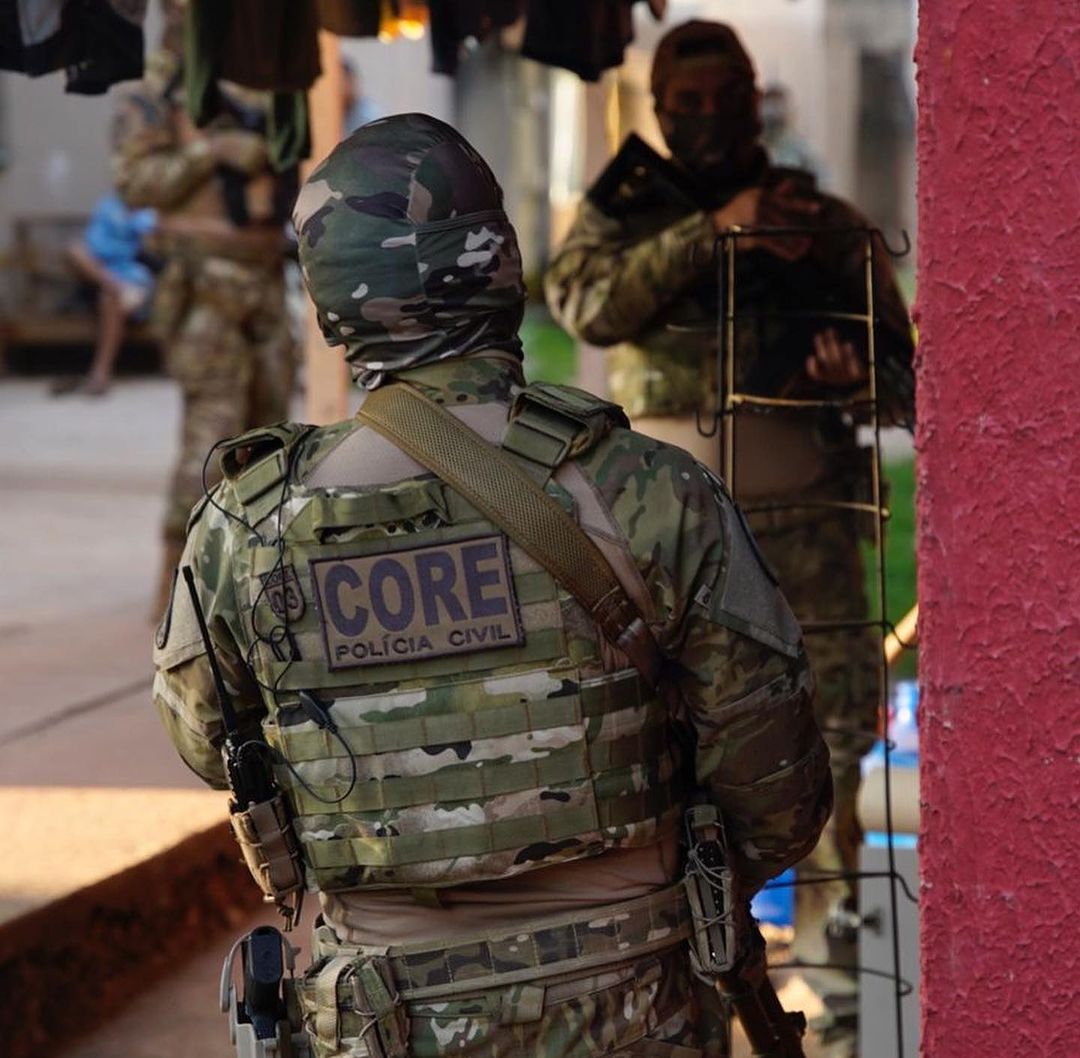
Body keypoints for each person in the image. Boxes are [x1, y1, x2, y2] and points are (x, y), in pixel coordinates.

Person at [153, 113, 832, 1058]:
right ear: (501, 267)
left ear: (333, 299)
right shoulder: (646, 493)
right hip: (633, 996)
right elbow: (780, 786)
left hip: (385, 1013)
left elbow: (202, 739)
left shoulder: (245, 528)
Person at [545, 21, 916, 1056]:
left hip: (807, 531)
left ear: (760, 100)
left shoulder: (825, 222)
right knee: (650, 747)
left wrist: (857, 376)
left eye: (728, 99)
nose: (710, 120)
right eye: (687, 103)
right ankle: (669, 982)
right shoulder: (625, 210)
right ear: (660, 111)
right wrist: (716, 228)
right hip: (653, 536)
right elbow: (585, 301)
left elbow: (911, 380)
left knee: (832, 749)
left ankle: (845, 994)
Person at [112, 41, 295, 614]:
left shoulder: (268, 85)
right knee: (212, 442)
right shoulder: (154, 98)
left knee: (273, 442)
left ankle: (256, 583)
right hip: (202, 292)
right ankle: (180, 593)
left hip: (264, 283)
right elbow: (135, 182)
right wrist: (211, 152)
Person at [52, 192, 158, 397]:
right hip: (98, 276)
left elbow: (155, 248)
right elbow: (89, 245)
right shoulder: (108, 205)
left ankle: (100, 372)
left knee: (111, 299)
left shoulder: (150, 212)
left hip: (132, 281)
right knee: (74, 249)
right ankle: (111, 284)